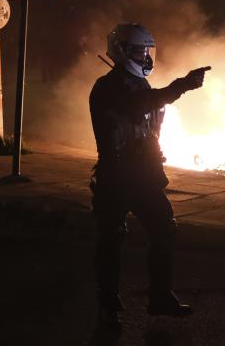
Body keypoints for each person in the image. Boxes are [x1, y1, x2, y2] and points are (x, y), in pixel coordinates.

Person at [89, 23, 209, 329]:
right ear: (122, 51)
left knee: (164, 229)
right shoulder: (108, 86)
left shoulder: (140, 86)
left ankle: (159, 298)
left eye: (146, 50)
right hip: (116, 174)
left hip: (143, 174)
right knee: (112, 238)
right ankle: (108, 304)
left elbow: (150, 120)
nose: (145, 56)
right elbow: (140, 106)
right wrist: (182, 84)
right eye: (140, 50)